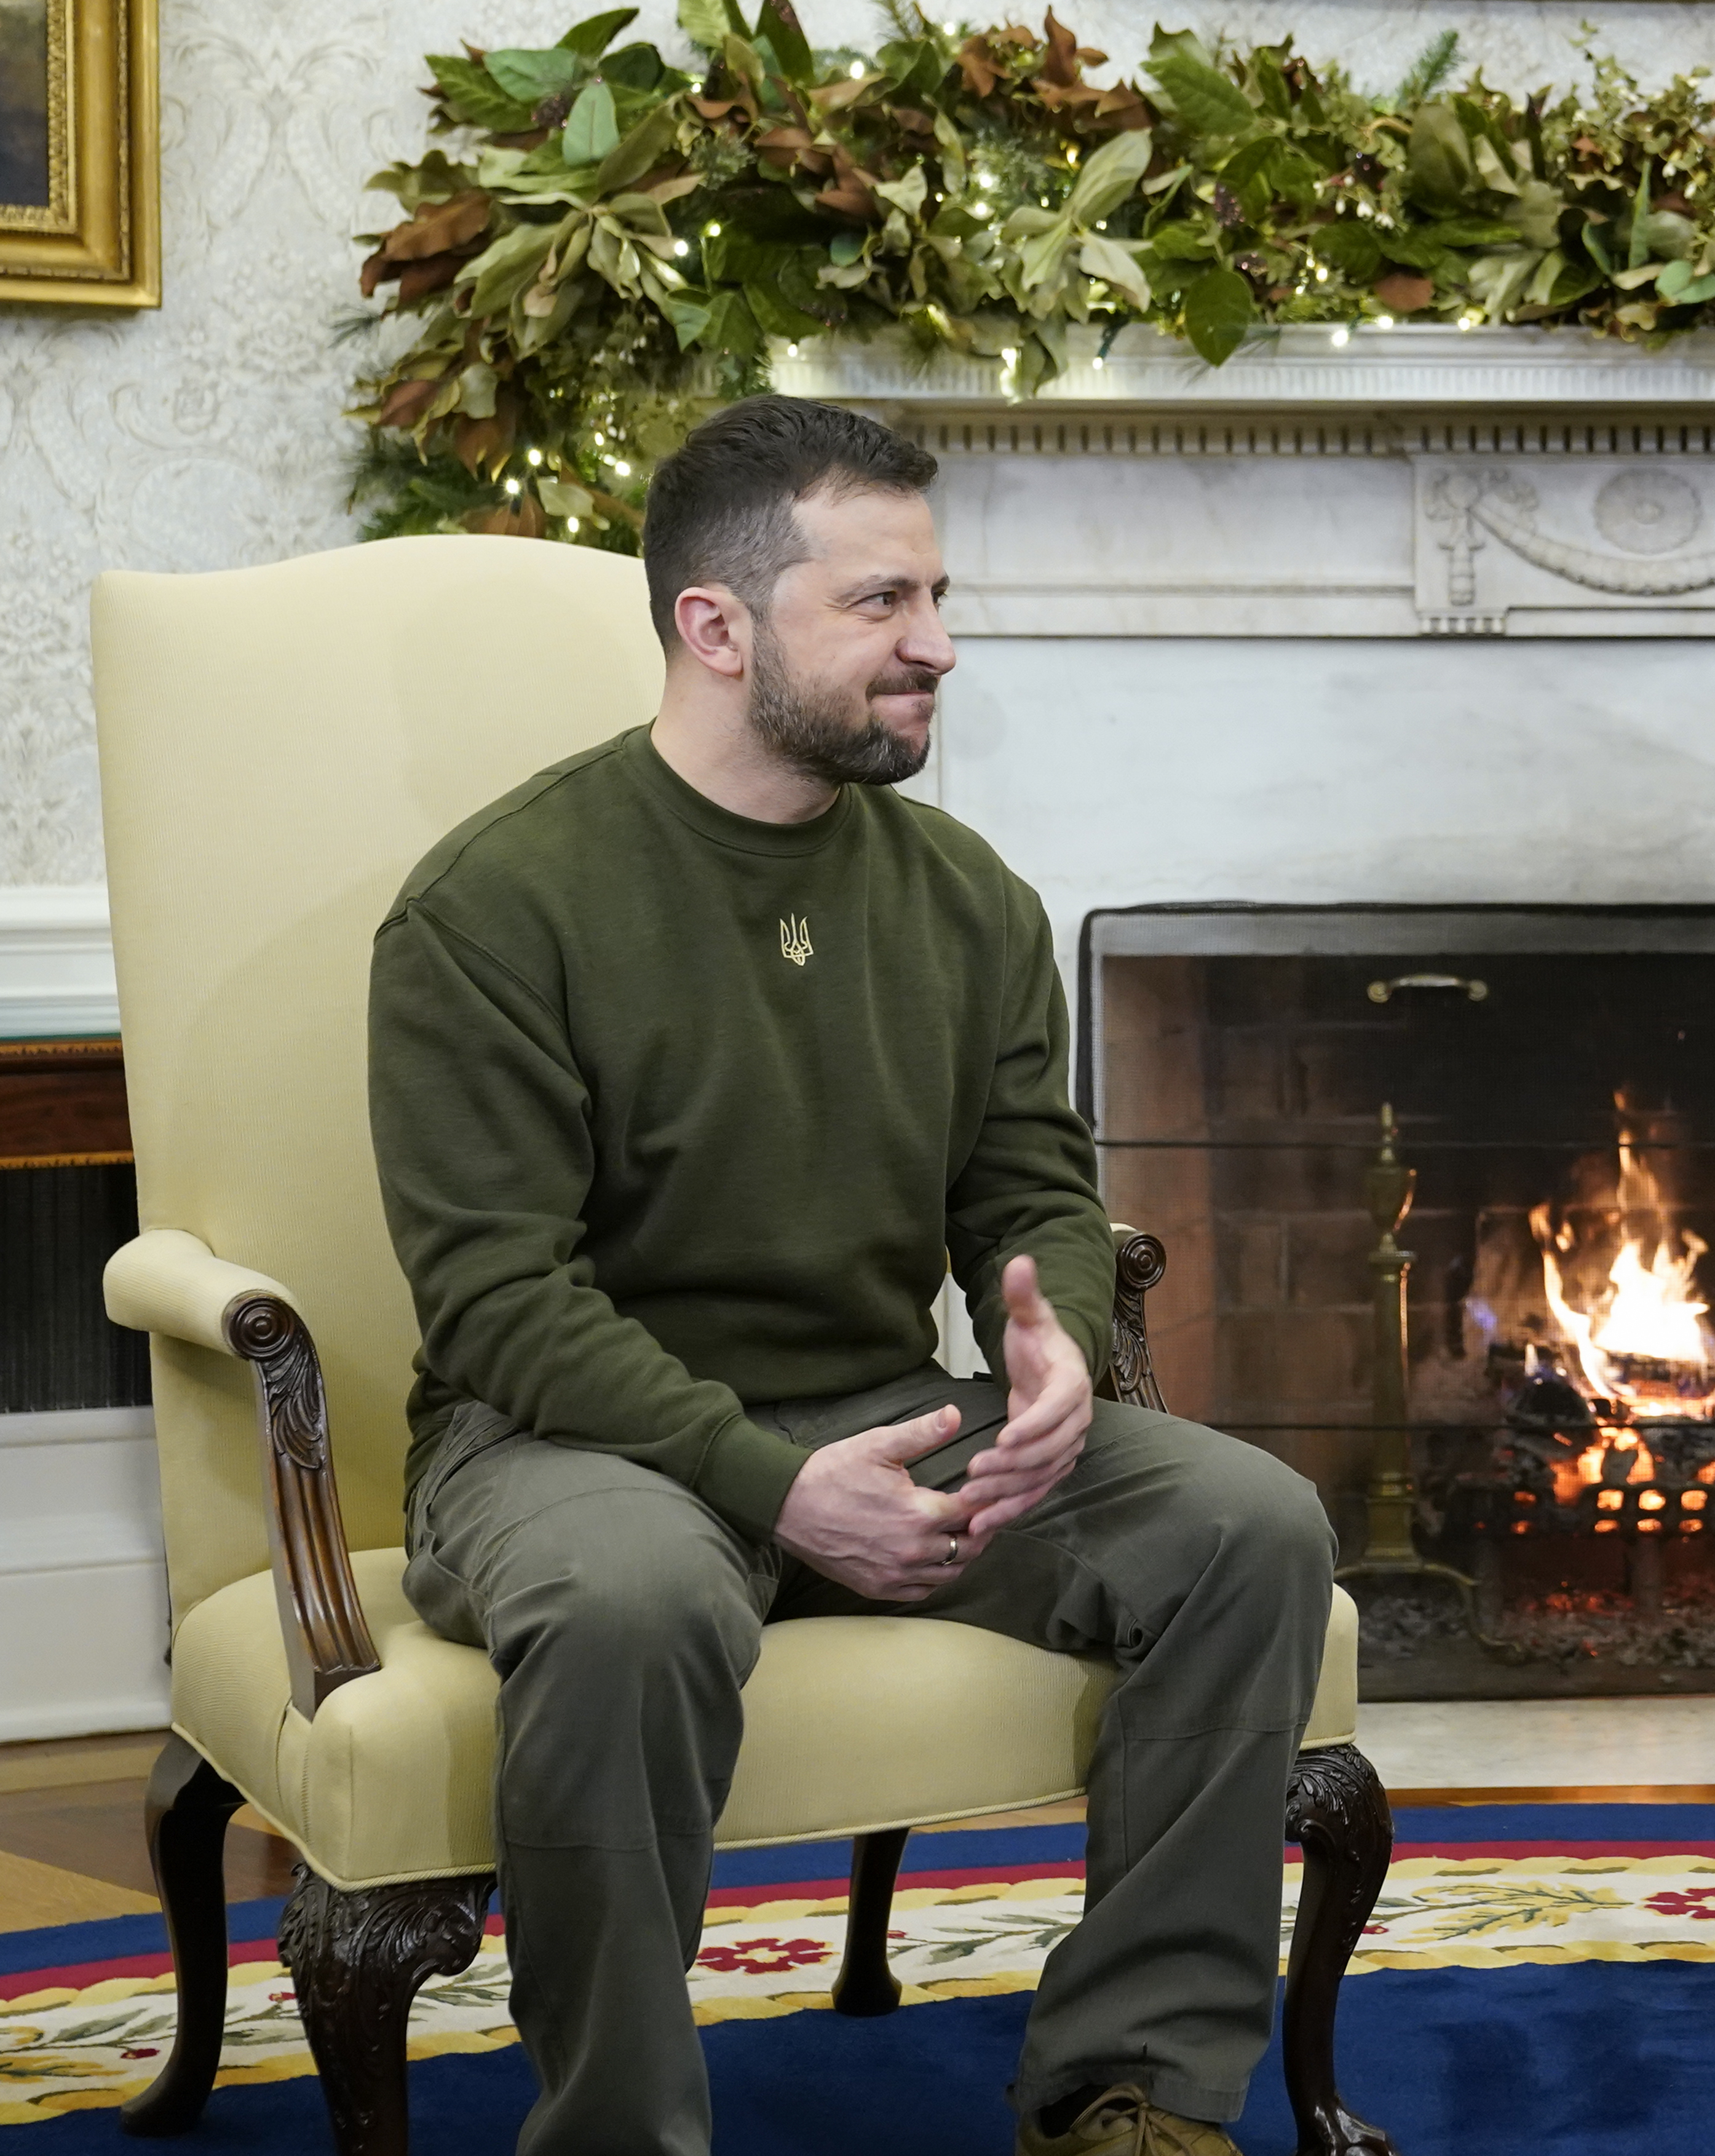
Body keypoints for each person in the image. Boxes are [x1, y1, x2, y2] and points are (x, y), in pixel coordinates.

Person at [368, 395, 1333, 2156]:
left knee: (1244, 1523)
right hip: (570, 1445)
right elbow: (500, 1298)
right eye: (881, 604)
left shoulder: (965, 896)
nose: (937, 646)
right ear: (714, 626)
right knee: (629, 1603)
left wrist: (1051, 1348)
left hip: (885, 1411)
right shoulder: (495, 905)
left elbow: (1026, 1181)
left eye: (937, 597)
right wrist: (772, 1485)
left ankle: (1134, 2088)